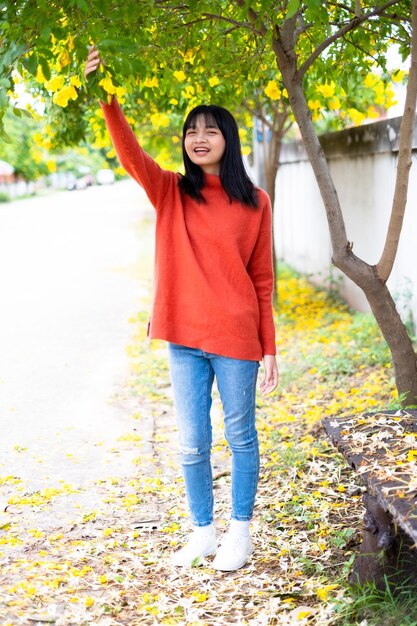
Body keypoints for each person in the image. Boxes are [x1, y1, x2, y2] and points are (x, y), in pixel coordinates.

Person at [84, 45, 278, 572]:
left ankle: (240, 532)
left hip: (237, 337)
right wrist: (107, 96)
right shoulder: (169, 191)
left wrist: (271, 347)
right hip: (184, 338)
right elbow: (129, 154)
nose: (199, 138)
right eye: (192, 131)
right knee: (192, 443)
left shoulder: (255, 201)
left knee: (240, 437)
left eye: (210, 130)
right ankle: (203, 533)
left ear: (227, 140)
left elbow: (262, 280)